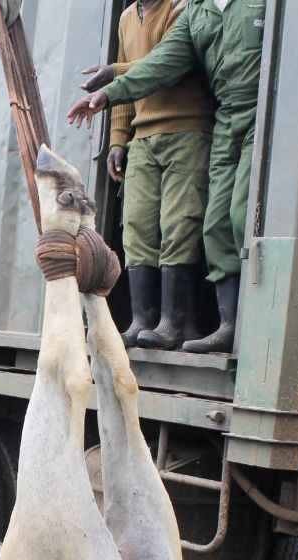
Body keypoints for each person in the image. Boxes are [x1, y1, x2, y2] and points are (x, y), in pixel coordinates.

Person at [68, 0, 266, 354]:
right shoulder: (197, 12)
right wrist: (110, 97)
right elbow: (165, 60)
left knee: (226, 216)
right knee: (212, 223)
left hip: (253, 113)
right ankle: (225, 325)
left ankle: (223, 324)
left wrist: (114, 74)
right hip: (225, 117)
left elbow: (174, 68)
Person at [86, 0, 213, 349]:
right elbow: (130, 93)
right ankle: (143, 318)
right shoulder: (127, 17)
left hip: (186, 130)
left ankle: (177, 321)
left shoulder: (182, 8)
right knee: (137, 225)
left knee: (180, 223)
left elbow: (169, 64)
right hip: (142, 136)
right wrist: (117, 139)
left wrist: (114, 72)